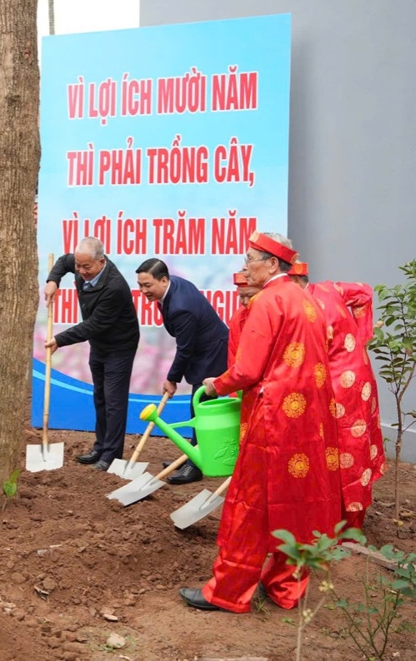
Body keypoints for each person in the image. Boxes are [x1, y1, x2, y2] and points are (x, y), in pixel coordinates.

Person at [181, 232, 340, 614]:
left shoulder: (268, 301)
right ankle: (286, 586)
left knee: (249, 506)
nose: (245, 264)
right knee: (297, 502)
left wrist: (215, 384)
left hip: (272, 420)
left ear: (272, 264)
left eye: (251, 258)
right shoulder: (306, 300)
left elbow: (247, 370)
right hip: (308, 422)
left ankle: (228, 591)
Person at [290, 262, 386, 530]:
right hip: (361, 377)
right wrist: (360, 335)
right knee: (356, 448)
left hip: (337, 387)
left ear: (295, 283)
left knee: (343, 452)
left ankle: (344, 527)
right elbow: (365, 292)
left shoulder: (305, 309)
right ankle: (347, 522)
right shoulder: (330, 287)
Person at [43, 237, 140, 471]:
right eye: (79, 266)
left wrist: (60, 339)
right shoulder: (79, 264)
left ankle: (111, 454)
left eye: (87, 267)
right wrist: (52, 281)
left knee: (114, 401)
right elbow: (62, 263)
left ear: (101, 262)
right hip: (100, 344)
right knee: (100, 396)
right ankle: (100, 446)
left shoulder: (114, 287)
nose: (81, 271)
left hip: (120, 345)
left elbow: (93, 325)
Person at [135, 258, 229, 485]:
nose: (143, 290)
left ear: (164, 280)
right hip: (203, 350)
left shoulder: (181, 307)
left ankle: (194, 465)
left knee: (200, 410)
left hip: (212, 355)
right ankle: (193, 456)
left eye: (147, 285)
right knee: (199, 410)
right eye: (140, 285)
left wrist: (172, 379)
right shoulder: (172, 288)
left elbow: (184, 349)